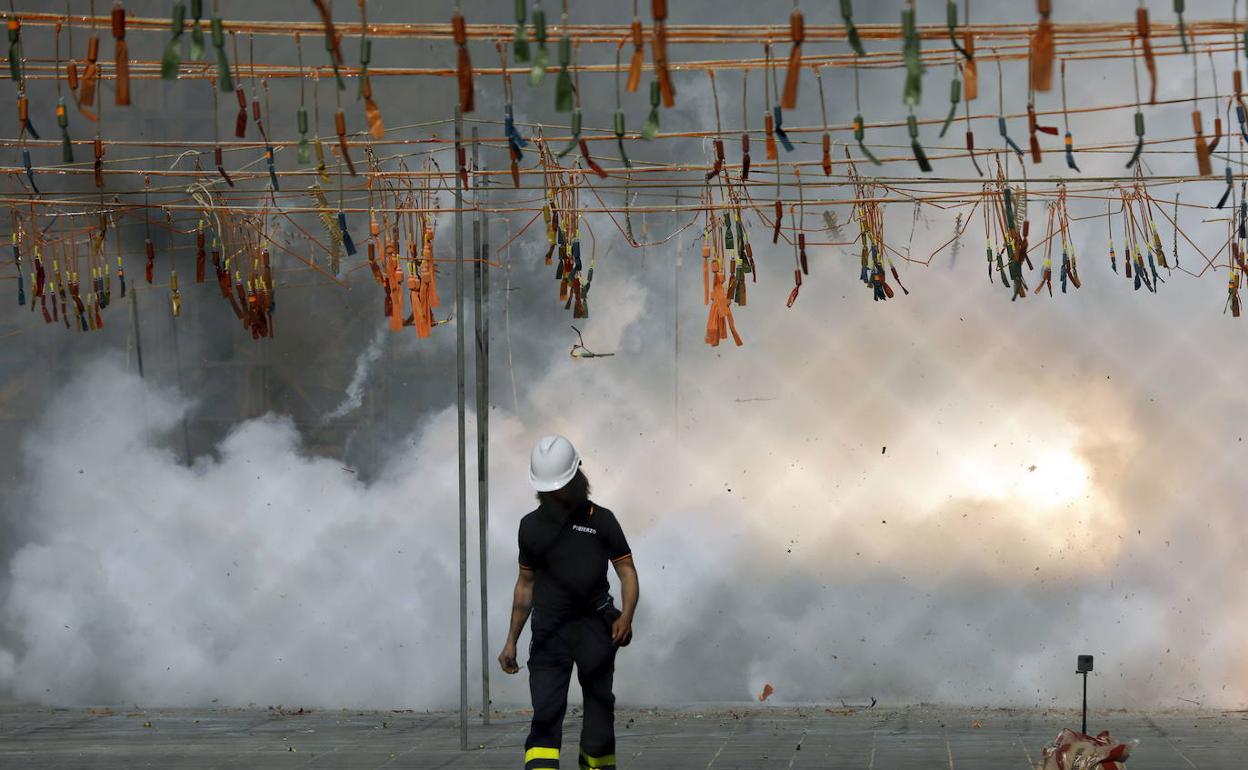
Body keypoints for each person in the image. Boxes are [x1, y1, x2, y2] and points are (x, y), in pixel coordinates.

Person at [499, 435, 640, 770]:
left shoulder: (602, 520)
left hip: (595, 626)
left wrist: (627, 616)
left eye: (559, 487)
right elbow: (525, 586)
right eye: (549, 490)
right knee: (546, 715)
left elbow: (627, 572)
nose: (555, 496)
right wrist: (510, 641)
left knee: (598, 715)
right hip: (549, 631)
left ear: (577, 476)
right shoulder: (530, 527)